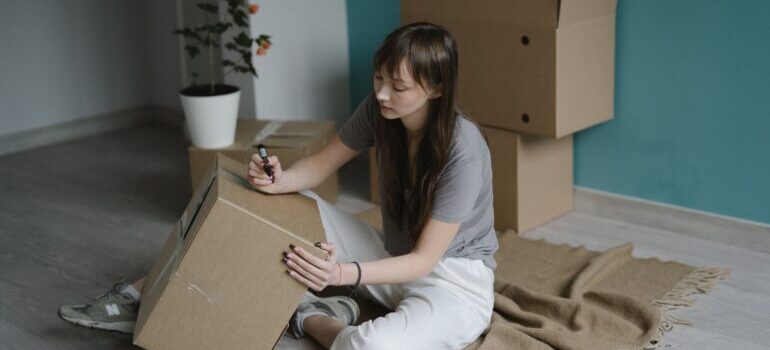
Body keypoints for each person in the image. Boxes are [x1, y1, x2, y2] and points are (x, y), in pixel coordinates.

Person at [59, 22, 499, 349]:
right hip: (389, 256)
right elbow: (318, 167)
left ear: (436, 89)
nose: (382, 93)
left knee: (368, 346)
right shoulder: (380, 112)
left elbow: (424, 261)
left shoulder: (464, 149)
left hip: (450, 281)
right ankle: (140, 293)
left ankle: (309, 316)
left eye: (397, 86)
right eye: (379, 78)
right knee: (271, 205)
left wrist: (344, 273)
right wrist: (279, 179)